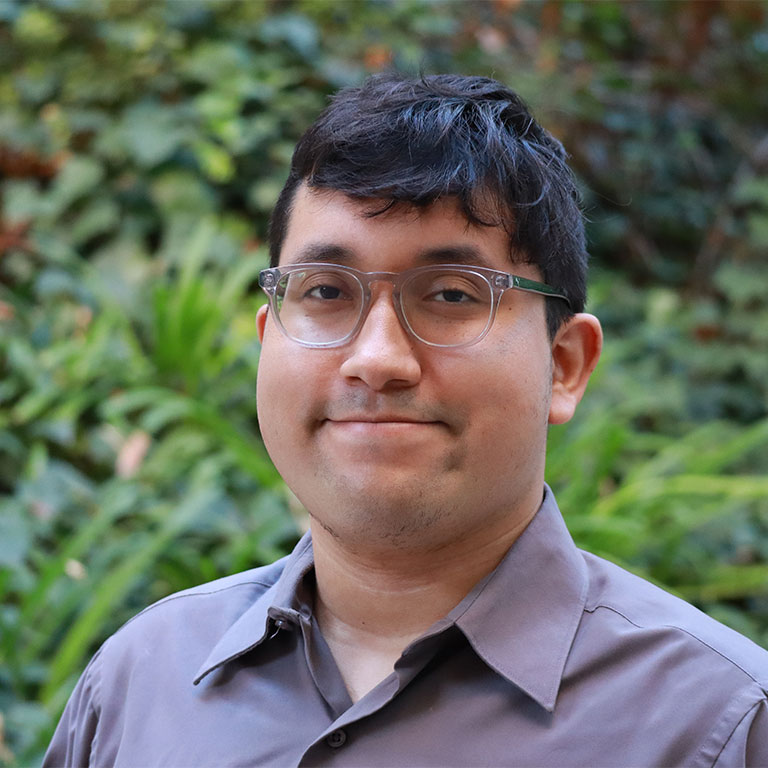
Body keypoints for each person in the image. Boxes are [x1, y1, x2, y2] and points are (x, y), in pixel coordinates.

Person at [44, 73, 768, 768]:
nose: (378, 358)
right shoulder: (141, 685)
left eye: (451, 296)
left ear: (566, 364)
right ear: (268, 341)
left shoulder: (718, 726)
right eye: (325, 290)